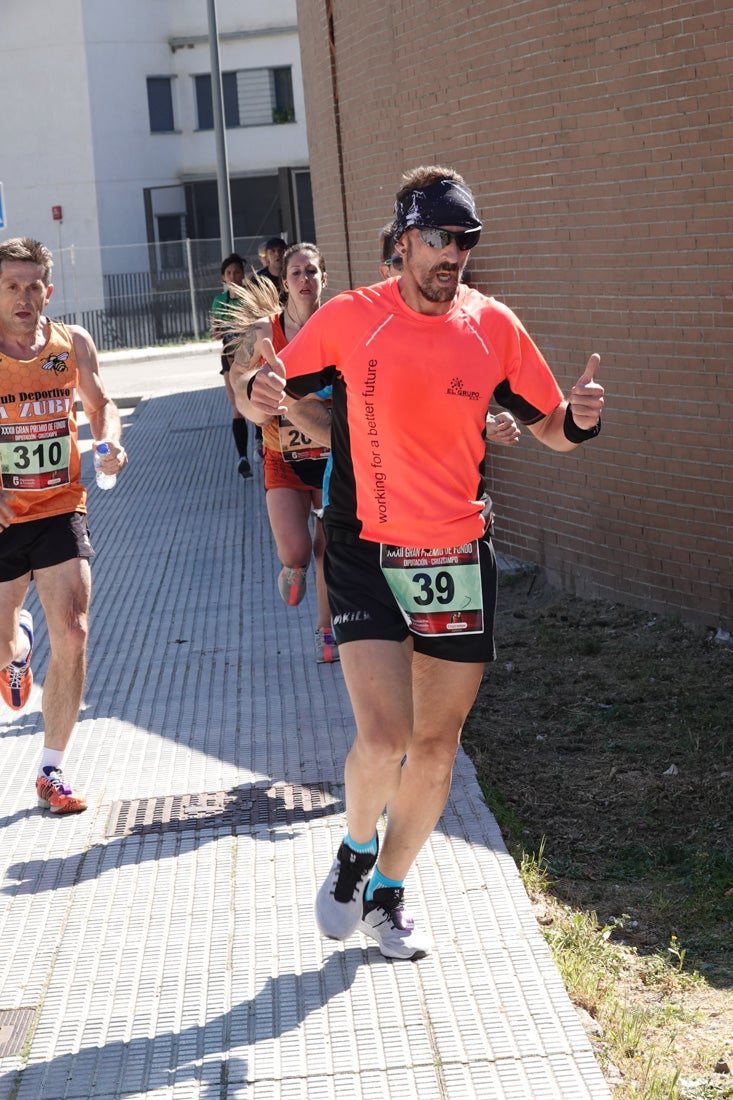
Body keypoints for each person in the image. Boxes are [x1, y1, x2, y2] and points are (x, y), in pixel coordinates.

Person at [240, 165, 605, 961]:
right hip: (368, 549)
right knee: (384, 735)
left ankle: (387, 893)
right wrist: (255, 397)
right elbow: (261, 391)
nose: (452, 256)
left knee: (436, 747)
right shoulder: (348, 319)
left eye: (464, 242)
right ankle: (353, 848)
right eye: (438, 238)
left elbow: (548, 426)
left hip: (454, 554)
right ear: (402, 242)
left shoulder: (492, 326)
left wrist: (576, 422)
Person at [0, 237, 128, 813]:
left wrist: (110, 443)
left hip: (60, 507)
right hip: (3, 518)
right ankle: (16, 650)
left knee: (74, 633)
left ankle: (52, 770)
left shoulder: (71, 344)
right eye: (11, 286)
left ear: (48, 290)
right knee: (1, 651)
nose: (24, 297)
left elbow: (102, 406)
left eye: (33, 286)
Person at [229, 243, 339, 664]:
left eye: (312, 272)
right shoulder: (263, 332)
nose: (304, 280)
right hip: (284, 459)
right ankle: (293, 568)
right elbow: (239, 383)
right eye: (296, 273)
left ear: (323, 279)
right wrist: (254, 397)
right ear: (285, 281)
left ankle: (326, 630)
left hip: (332, 459)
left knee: (328, 550)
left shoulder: (339, 326)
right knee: (297, 551)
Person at [210, 253, 253, 480]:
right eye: (229, 273)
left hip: (251, 355)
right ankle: (242, 458)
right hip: (229, 356)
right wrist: (218, 331)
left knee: (257, 402)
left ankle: (260, 441)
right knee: (236, 406)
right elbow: (216, 331)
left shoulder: (251, 298)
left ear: (243, 275)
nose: (233, 276)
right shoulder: (219, 301)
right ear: (223, 278)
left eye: (237, 272)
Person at [253, 237, 287, 303]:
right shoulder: (258, 279)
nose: (277, 254)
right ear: (267, 256)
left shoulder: (293, 275)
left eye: (280, 250)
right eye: (273, 251)